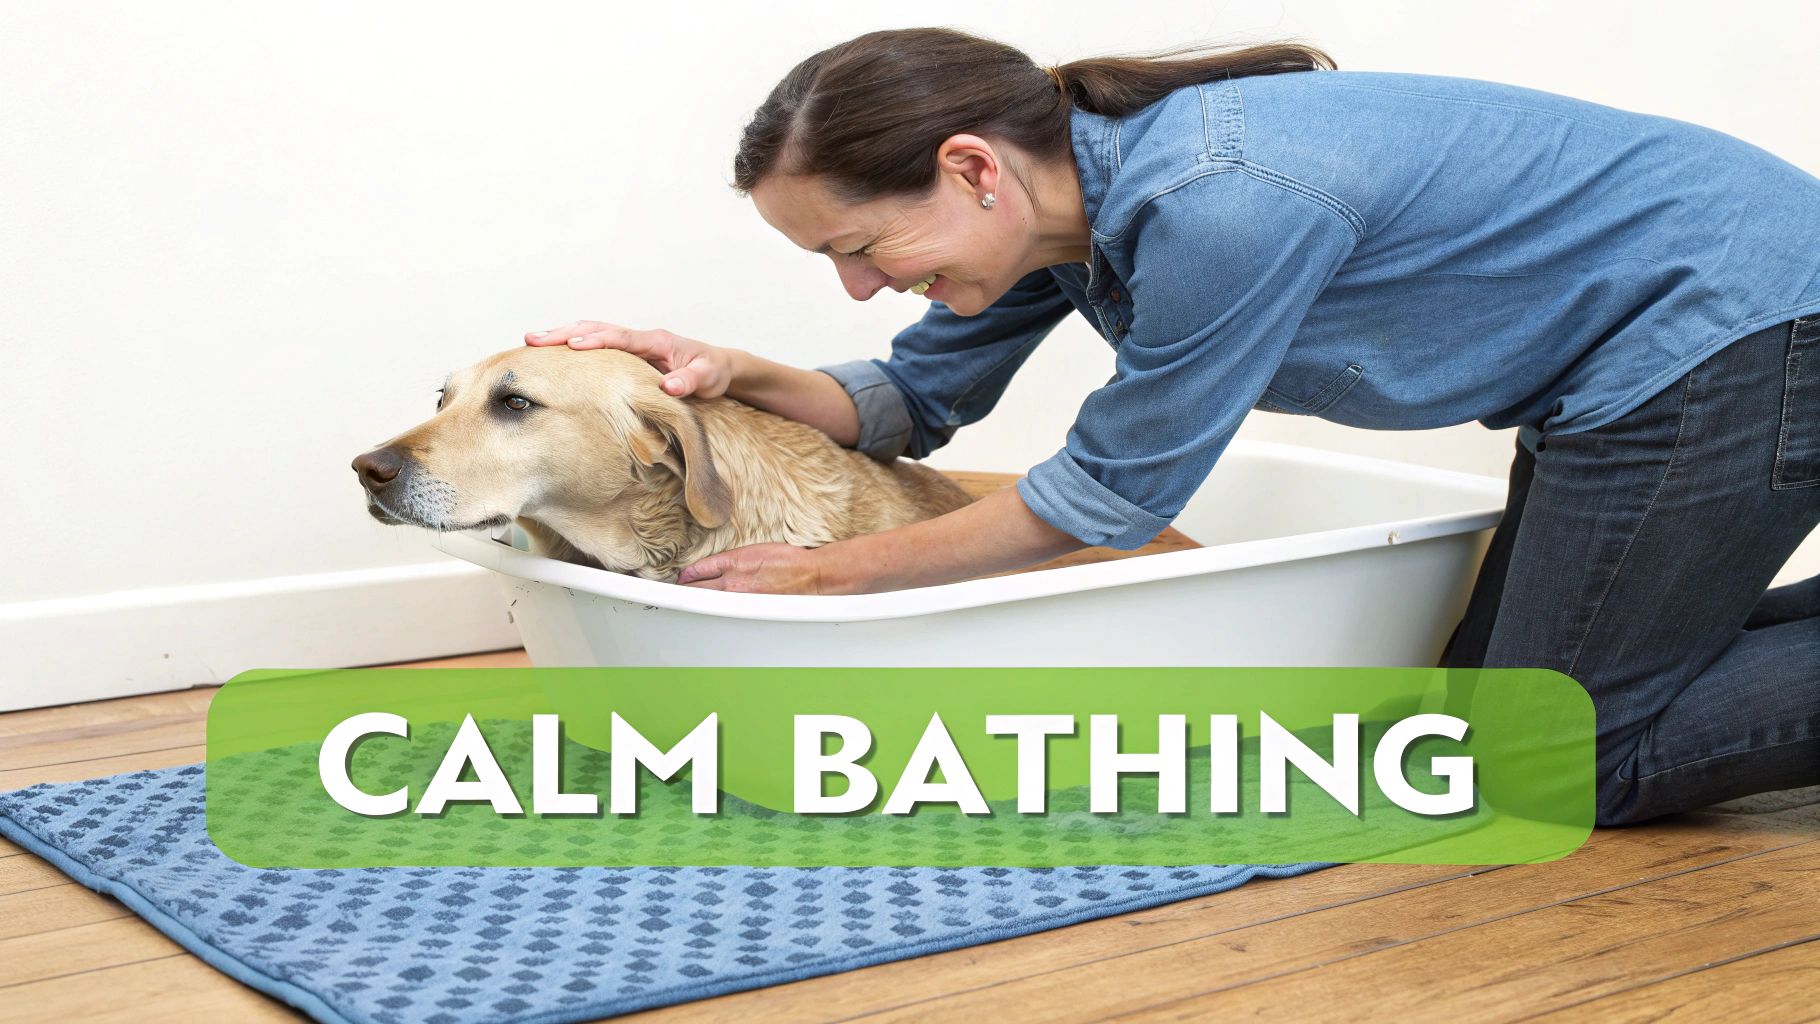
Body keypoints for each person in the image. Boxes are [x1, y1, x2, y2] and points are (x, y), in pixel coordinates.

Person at [526, 27, 1820, 824]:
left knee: (1548, 774)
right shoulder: (1056, 216)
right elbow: (908, 403)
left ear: (972, 167)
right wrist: (724, 369)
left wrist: (826, 575)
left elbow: (1107, 499)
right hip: (1633, 367)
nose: (858, 285)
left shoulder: (1217, 200)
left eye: (862, 248)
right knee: (1459, 723)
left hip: (1740, 326)